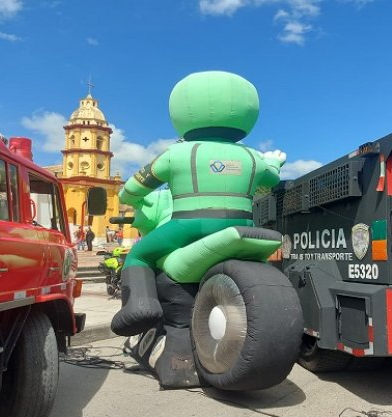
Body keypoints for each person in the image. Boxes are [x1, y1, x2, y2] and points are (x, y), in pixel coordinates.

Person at [110, 71, 286, 336]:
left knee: (139, 255)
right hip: (242, 222)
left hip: (187, 225)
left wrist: (128, 198)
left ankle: (139, 306)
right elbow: (270, 180)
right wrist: (274, 161)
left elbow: (134, 187)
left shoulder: (176, 153)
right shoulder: (254, 157)